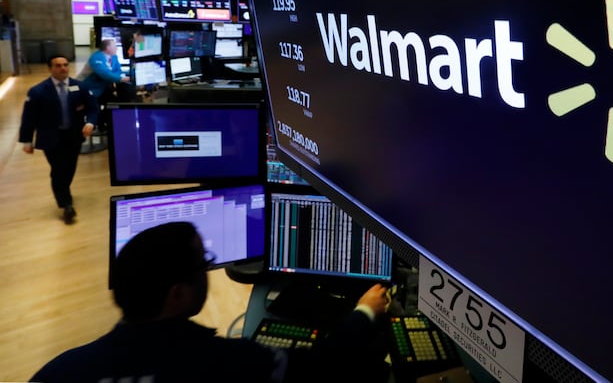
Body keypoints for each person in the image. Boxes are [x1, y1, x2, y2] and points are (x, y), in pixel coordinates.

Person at [30, 222, 391, 383]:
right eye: (203, 263)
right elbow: (323, 366)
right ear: (177, 294)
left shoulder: (58, 371)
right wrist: (365, 311)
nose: (207, 269)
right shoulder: (228, 363)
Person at [18, 54, 99, 224]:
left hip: (73, 136)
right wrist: (27, 141)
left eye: (65, 65)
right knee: (58, 169)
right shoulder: (38, 91)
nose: (63, 68)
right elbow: (29, 118)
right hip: (50, 138)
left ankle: (63, 191)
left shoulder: (80, 87)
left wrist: (90, 122)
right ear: (50, 68)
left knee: (69, 168)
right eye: (58, 65)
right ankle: (66, 204)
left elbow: (93, 107)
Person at [78, 38, 134, 103]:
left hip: (104, 87)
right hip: (90, 88)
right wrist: (124, 78)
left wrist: (124, 77)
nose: (116, 48)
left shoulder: (114, 56)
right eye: (114, 46)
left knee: (123, 94)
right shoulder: (96, 58)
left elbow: (118, 71)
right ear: (108, 48)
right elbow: (105, 74)